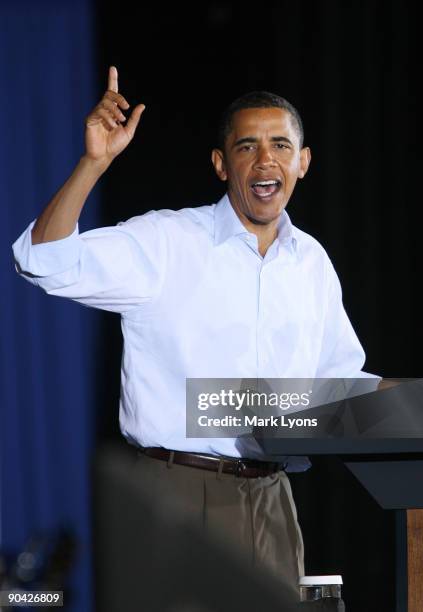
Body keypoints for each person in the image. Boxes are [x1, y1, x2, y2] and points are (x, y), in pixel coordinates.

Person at [12, 66, 380, 595]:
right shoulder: (167, 242)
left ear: (303, 162)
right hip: (178, 494)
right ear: (220, 163)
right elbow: (42, 260)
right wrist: (93, 164)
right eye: (246, 146)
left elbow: (340, 383)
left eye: (280, 144)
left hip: (274, 499)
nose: (264, 159)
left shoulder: (311, 262)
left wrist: (407, 405)